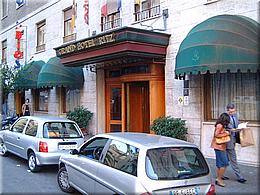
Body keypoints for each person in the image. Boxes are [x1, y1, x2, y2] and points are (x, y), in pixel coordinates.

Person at [225, 103, 247, 183]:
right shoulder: (224, 117)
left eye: (234, 111)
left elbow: (236, 125)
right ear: (227, 111)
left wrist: (242, 126)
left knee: (226, 159)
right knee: (233, 158)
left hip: (234, 139)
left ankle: (220, 175)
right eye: (231, 112)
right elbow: (221, 128)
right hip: (228, 140)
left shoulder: (235, 116)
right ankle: (239, 176)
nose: (232, 113)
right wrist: (231, 130)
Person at [211, 113, 230, 187]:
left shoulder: (220, 125)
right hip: (219, 146)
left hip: (219, 146)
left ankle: (218, 178)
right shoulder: (220, 125)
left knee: (220, 164)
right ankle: (219, 179)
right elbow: (216, 135)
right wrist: (226, 134)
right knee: (224, 163)